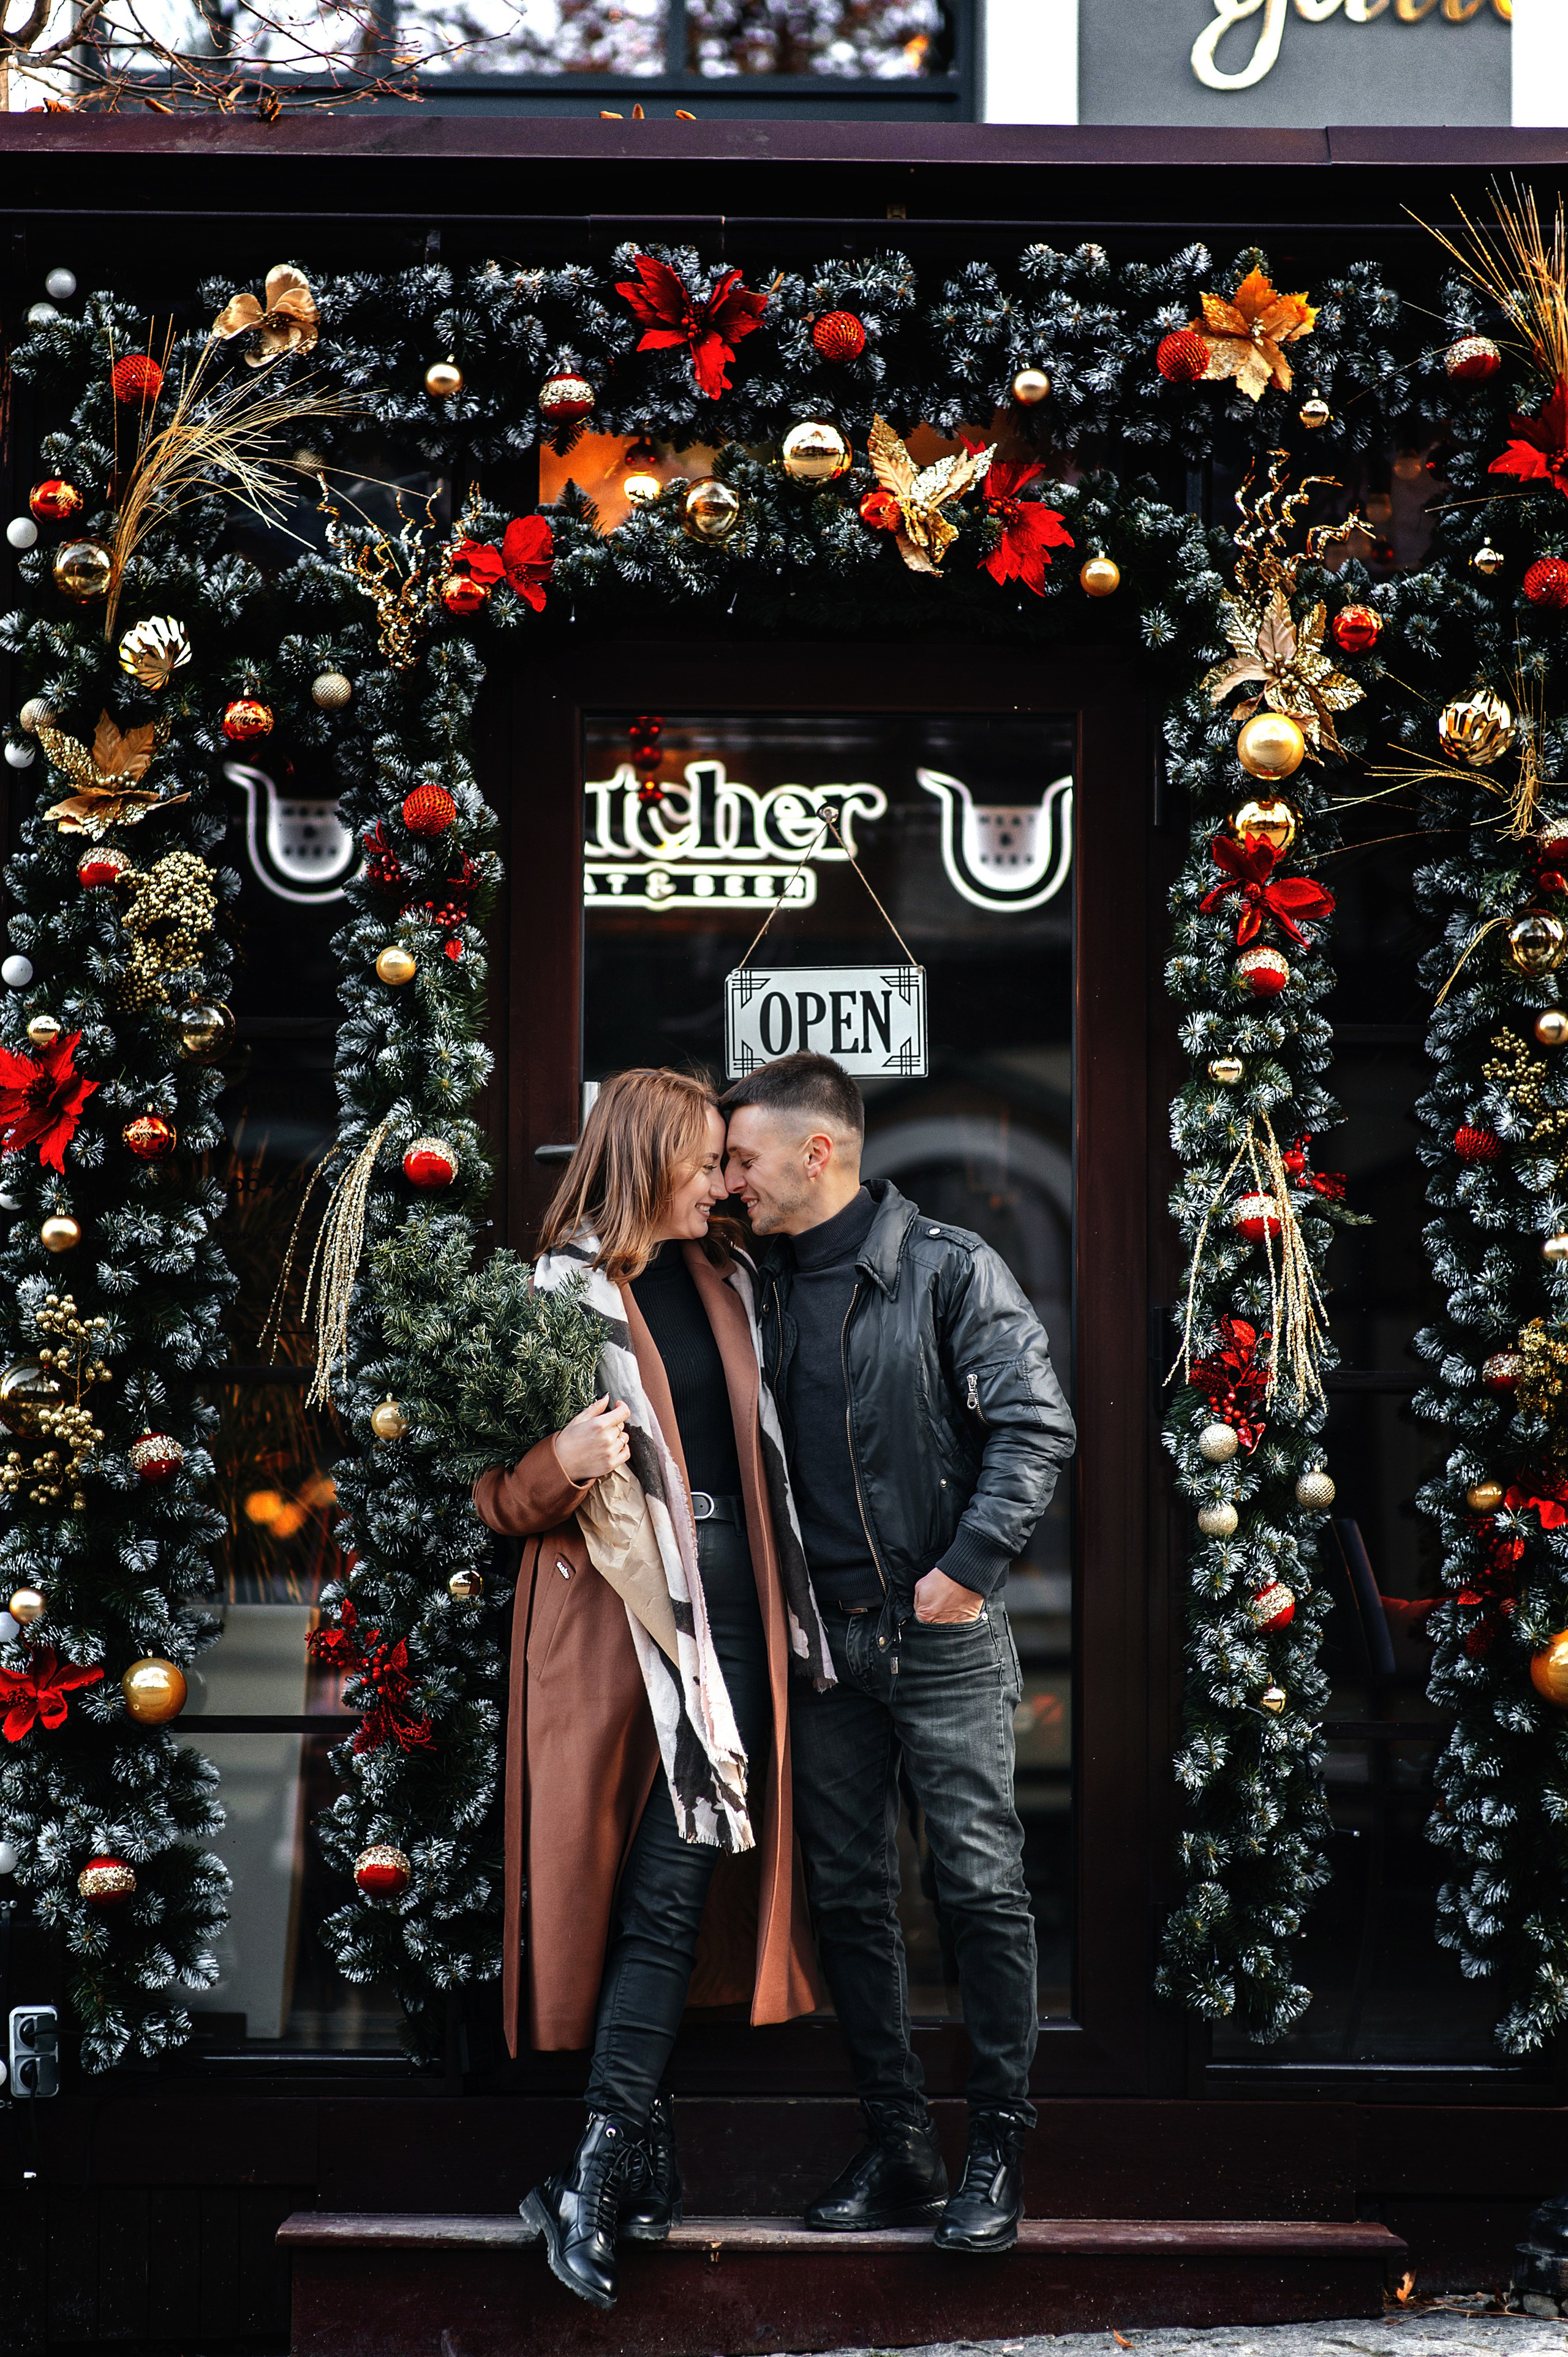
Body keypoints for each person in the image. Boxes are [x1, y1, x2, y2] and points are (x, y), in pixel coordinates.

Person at [473, 1068, 832, 2311]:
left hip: (733, 1635)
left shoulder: (728, 1282)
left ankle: (618, 2167)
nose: (724, 1180)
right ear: (645, 1158)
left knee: (671, 1894)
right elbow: (493, 1497)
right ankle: (603, 2165)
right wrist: (560, 1463)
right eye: (703, 1160)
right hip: (620, 1640)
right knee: (660, 1894)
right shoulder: (558, 1292)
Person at [722, 1051, 1076, 2257]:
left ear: (813, 1152)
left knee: (976, 1885)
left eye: (743, 1157)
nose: (731, 1178)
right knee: (851, 1896)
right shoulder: (748, 1278)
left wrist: (963, 1569)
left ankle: (994, 2146)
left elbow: (1036, 1422)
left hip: (937, 1634)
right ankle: (900, 2145)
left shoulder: (944, 1267)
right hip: (820, 1647)